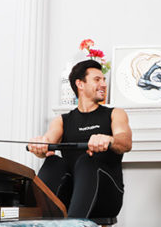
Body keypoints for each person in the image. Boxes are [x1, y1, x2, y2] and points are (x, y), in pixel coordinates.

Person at [28, 59, 132, 218]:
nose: (104, 84)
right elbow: (48, 141)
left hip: (105, 198)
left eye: (104, 80)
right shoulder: (62, 120)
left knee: (87, 160)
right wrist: (40, 147)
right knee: (53, 161)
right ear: (80, 84)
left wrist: (109, 140)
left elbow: (125, 142)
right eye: (97, 80)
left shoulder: (115, 114)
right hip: (70, 198)